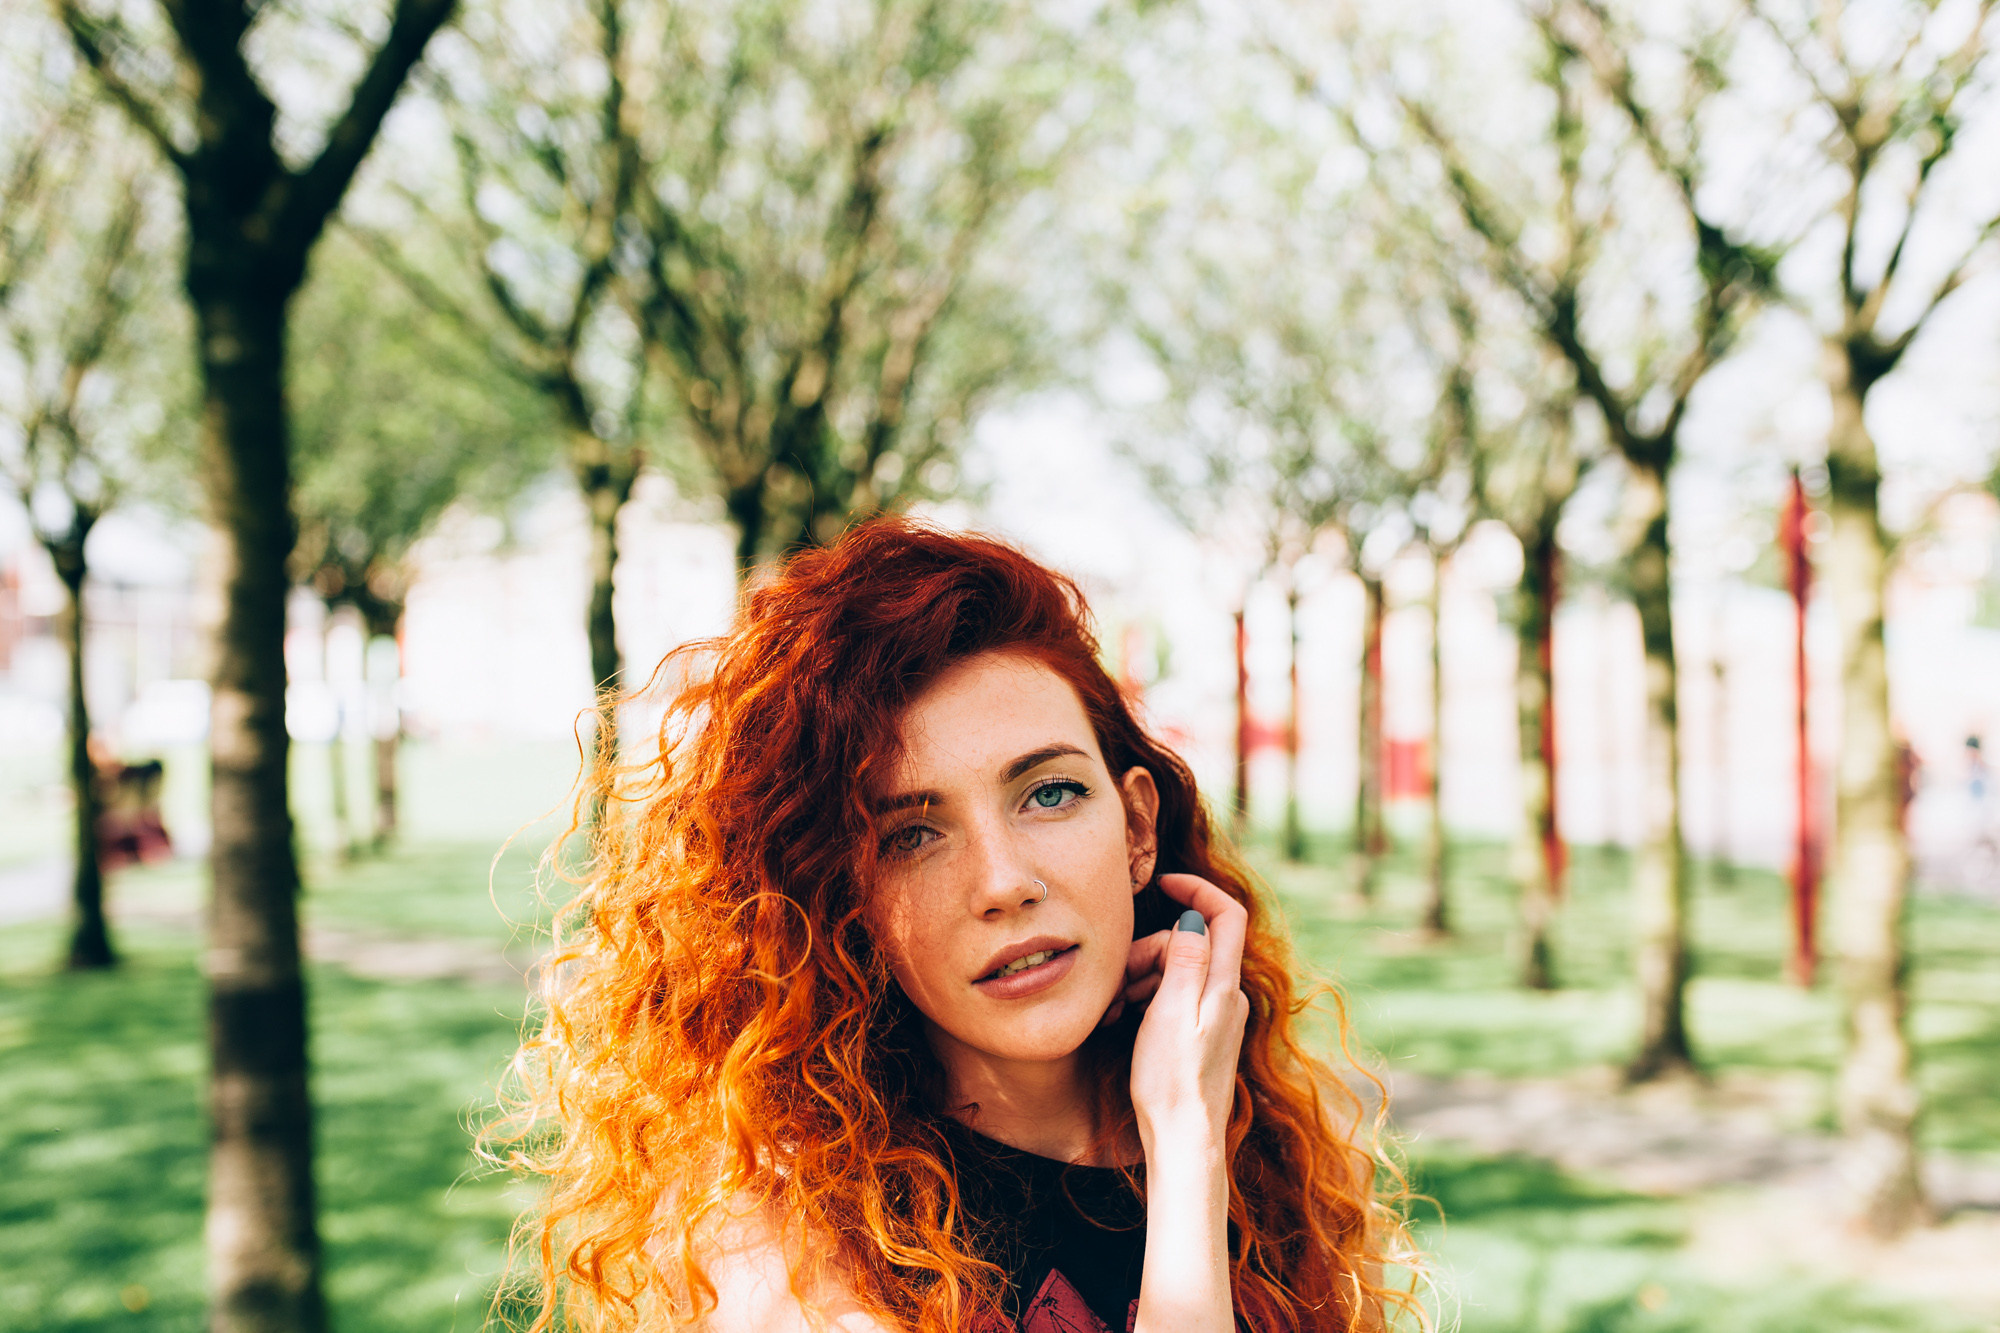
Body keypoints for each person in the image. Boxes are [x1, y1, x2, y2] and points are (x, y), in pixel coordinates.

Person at [496, 519, 1413, 1333]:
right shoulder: (784, 1245)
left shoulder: (1271, 1156)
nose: (1004, 883)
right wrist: (1183, 1147)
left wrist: (1196, 1136)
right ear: (841, 899)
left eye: (1049, 792)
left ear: (1136, 827)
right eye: (912, 834)